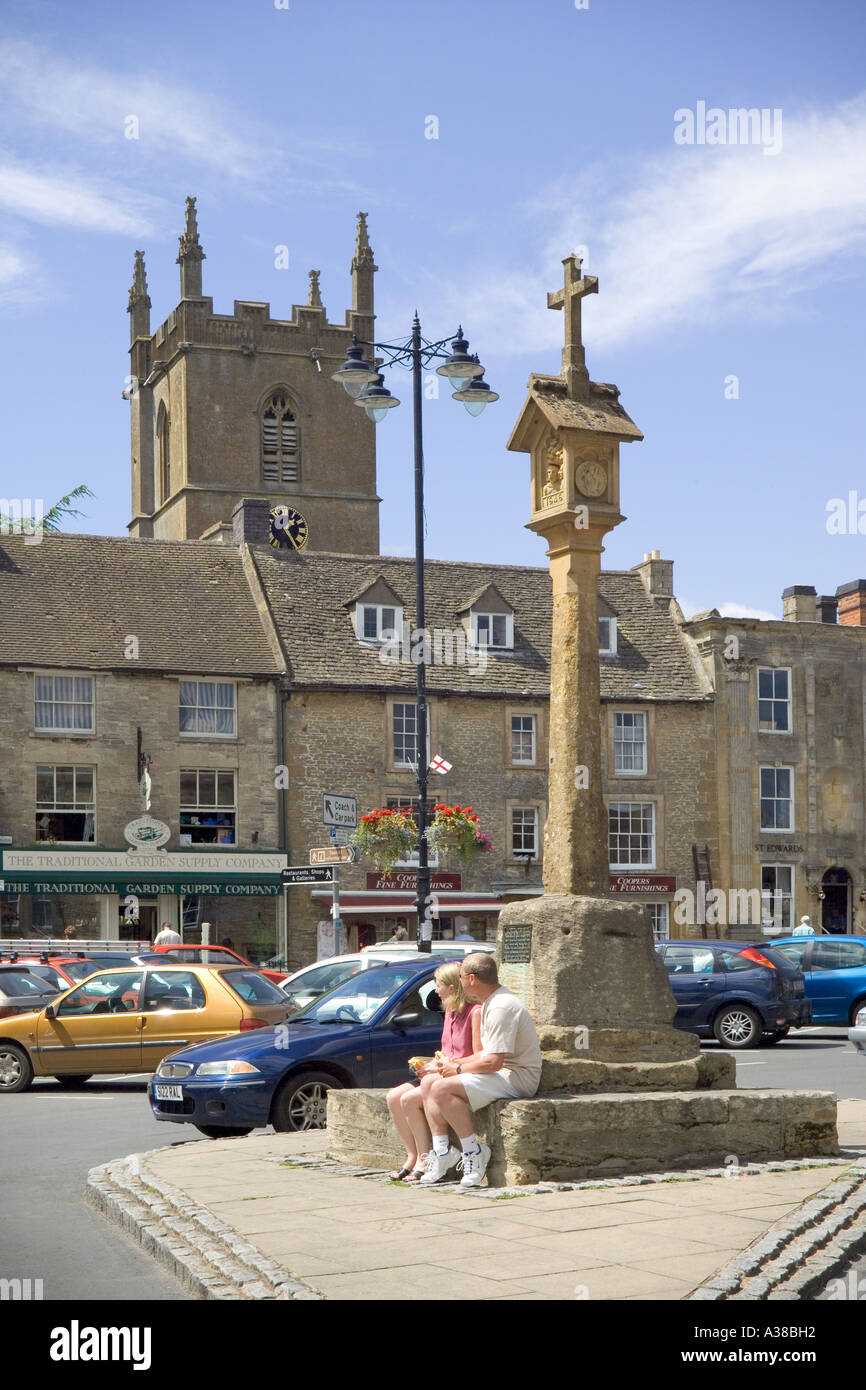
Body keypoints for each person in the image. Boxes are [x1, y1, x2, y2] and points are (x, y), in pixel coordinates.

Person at [419, 952, 542, 1188]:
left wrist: (458, 1068)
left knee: (442, 1088)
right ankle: (443, 1152)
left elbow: (493, 1062)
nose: (460, 981)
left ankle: (474, 1152)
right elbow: (486, 1056)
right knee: (433, 1083)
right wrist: (451, 1067)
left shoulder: (500, 1007)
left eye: (462, 976)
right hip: (503, 1072)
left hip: (517, 1077)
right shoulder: (492, 1002)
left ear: (472, 979)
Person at [385, 962, 481, 1183]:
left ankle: (427, 1158)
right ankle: (413, 1156)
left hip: (455, 1075)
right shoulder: (450, 1011)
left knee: (409, 1099)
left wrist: (437, 1066)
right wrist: (428, 1063)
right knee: (393, 1096)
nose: (435, 990)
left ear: (452, 987)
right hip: (440, 1073)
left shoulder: (474, 1012)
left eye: (438, 985)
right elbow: (446, 1052)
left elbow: (475, 1055)